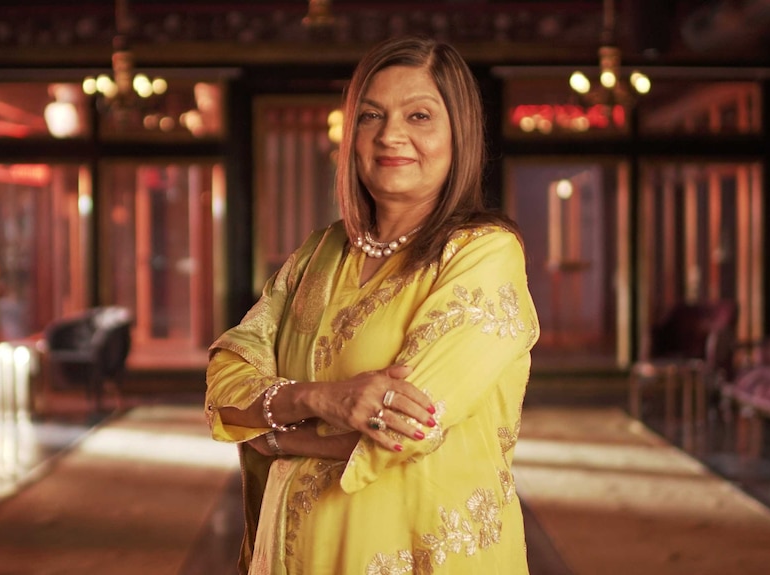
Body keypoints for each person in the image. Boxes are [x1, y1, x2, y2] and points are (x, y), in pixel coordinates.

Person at [205, 34, 539, 575]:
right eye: (371, 115)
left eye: (420, 116)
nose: (391, 136)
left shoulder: (482, 253)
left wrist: (273, 432)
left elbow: (406, 430)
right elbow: (225, 383)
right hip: (297, 554)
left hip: (417, 554)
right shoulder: (318, 253)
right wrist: (324, 399)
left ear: (461, 134)